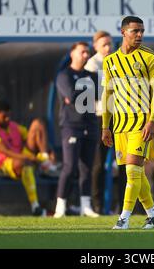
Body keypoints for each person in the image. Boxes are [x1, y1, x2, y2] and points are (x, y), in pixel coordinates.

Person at [101, 16, 154, 230]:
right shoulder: (110, 61)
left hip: (141, 123)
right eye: (135, 31)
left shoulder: (150, 57)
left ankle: (124, 218)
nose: (139, 35)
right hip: (119, 126)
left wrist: (152, 121)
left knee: (131, 172)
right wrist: (105, 126)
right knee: (136, 172)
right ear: (123, 32)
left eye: (142, 31)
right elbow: (107, 94)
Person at [54, 42, 99, 218]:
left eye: (88, 52)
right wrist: (84, 92)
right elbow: (71, 97)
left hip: (91, 124)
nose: (86, 55)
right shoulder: (64, 75)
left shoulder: (91, 75)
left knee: (87, 167)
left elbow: (99, 94)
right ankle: (60, 206)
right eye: (82, 52)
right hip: (71, 125)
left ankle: (86, 206)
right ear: (72, 53)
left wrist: (80, 93)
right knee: (70, 166)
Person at [0, 101, 55, 216]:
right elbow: (5, 151)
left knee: (37, 124)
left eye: (9, 116)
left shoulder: (14, 126)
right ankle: (35, 206)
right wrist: (28, 157)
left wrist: (49, 151)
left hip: (22, 158)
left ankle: (45, 159)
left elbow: (33, 138)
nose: (7, 119)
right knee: (25, 163)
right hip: (4, 163)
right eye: (4, 116)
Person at [84, 30, 113, 215]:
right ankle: (97, 205)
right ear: (95, 46)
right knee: (98, 163)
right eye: (104, 44)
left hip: (118, 116)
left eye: (110, 44)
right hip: (100, 117)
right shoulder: (92, 65)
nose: (108, 48)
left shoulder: (118, 61)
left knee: (125, 161)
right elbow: (94, 93)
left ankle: (125, 206)